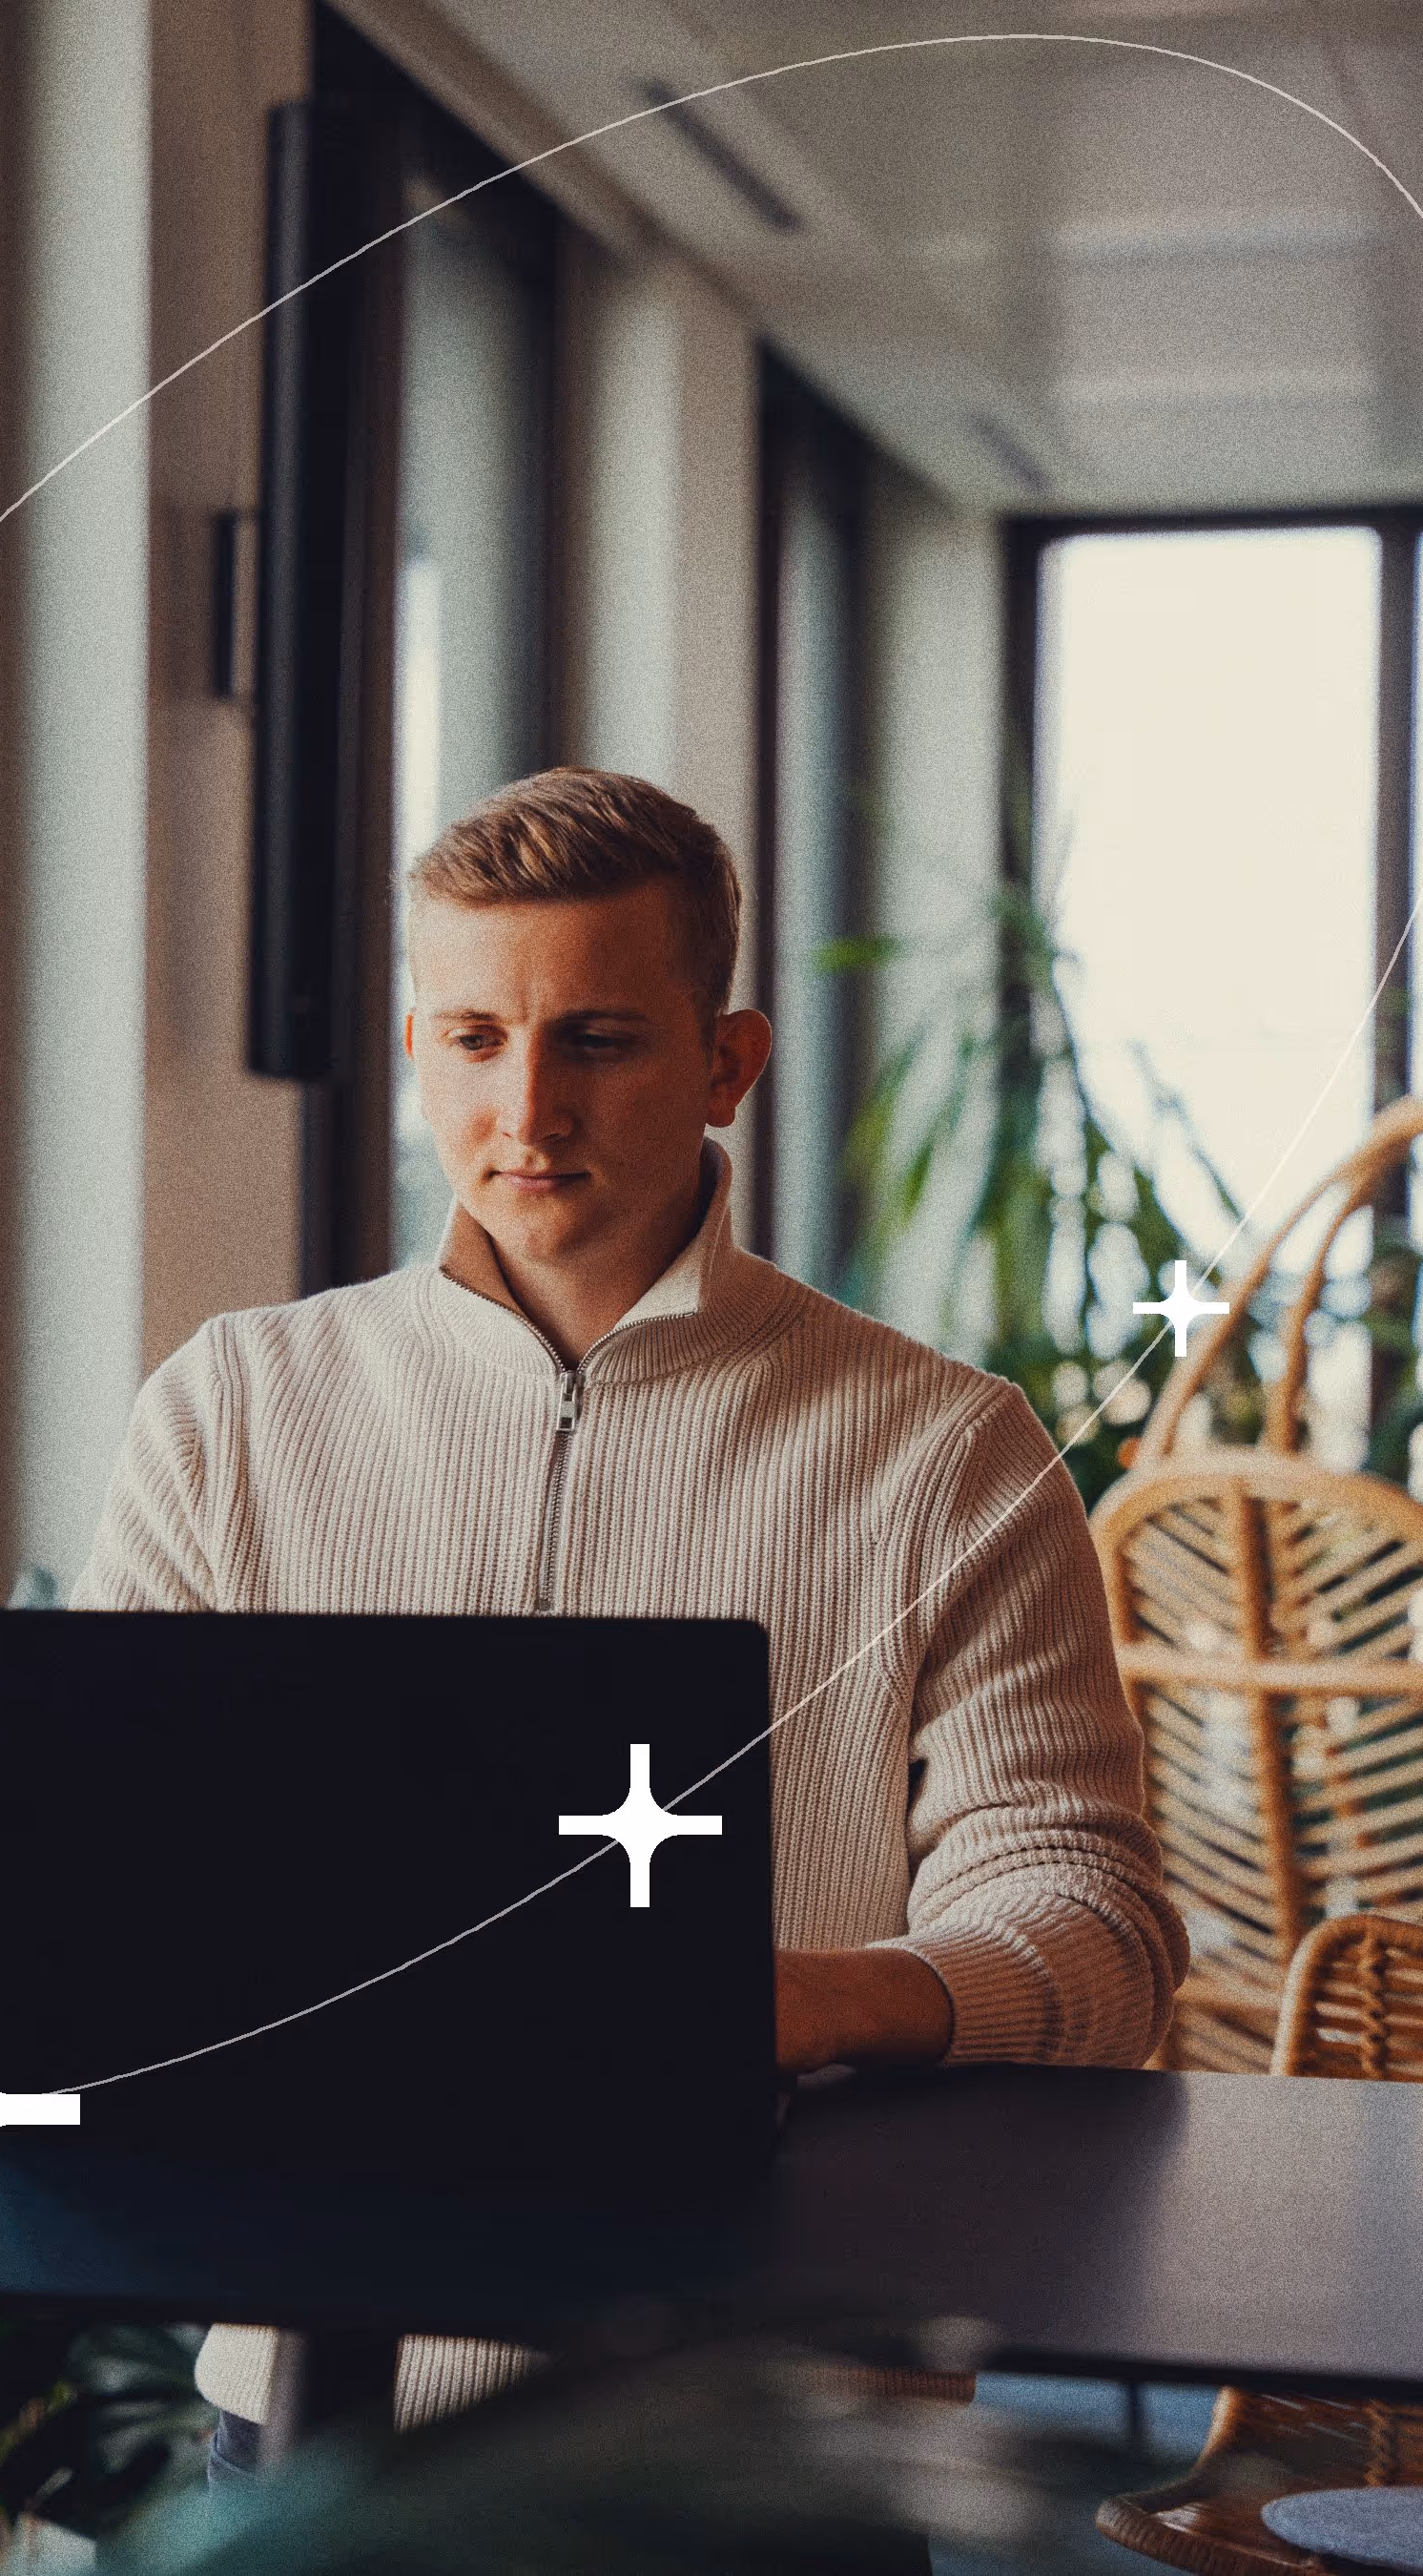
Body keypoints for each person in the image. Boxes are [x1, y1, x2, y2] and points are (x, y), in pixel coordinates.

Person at [71, 763, 1186, 2465]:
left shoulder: (947, 1451)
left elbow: (1096, 1931)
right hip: (319, 2410)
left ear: (726, 1062)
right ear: (414, 1048)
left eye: (596, 1039)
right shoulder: (232, 1408)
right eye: (472, 1041)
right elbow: (107, 1870)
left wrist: (807, 2000)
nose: (527, 1112)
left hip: (778, 2438)